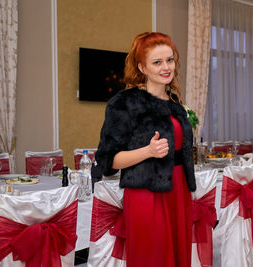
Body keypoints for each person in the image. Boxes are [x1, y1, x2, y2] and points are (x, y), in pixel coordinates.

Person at [95, 32, 196, 267]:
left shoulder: (175, 105)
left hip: (178, 192)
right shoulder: (124, 104)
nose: (166, 67)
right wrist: (148, 152)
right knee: (153, 257)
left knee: (179, 256)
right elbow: (108, 161)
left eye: (170, 60)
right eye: (157, 62)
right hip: (145, 194)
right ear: (142, 66)